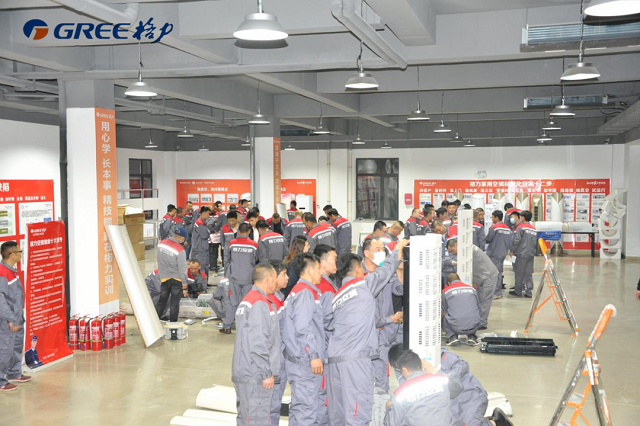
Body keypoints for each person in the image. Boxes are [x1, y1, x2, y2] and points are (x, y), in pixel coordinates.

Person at [327, 239, 409, 426]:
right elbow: (385, 271)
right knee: (358, 412)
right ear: (358, 270)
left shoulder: (337, 295)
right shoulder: (361, 286)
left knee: (339, 414)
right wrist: (397, 249)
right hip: (355, 360)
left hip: (335, 359)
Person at [388, 346, 511, 426]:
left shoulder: (437, 354)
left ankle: (497, 422)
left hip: (469, 397)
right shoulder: (406, 375)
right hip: (450, 404)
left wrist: (436, 372)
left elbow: (463, 365)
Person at [232, 262, 280, 426]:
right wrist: (266, 373)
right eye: (275, 278)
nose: (276, 282)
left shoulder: (248, 300)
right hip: (255, 375)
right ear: (268, 279)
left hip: (247, 371)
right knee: (256, 420)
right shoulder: (259, 303)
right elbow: (258, 342)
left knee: (247, 419)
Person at [281, 253, 325, 426]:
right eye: (319, 268)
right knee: (306, 411)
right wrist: (313, 355)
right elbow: (303, 328)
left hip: (299, 360)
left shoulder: (301, 290)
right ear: (310, 270)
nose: (321, 272)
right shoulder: (305, 292)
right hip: (304, 361)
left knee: (301, 409)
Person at [364, 239, 404, 393]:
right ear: (367, 253)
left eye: (383, 249)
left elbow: (399, 290)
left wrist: (399, 270)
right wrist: (389, 319)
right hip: (371, 334)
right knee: (374, 376)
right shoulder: (361, 275)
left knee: (388, 369)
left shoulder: (386, 272)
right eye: (378, 249)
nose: (382, 252)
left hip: (389, 331)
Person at [383, 350, 463, 426]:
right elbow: (458, 388)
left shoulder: (400, 393)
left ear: (404, 370)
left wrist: (389, 408)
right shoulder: (440, 378)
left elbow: (392, 423)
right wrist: (435, 371)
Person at [313, 244, 339, 426]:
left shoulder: (325, 283)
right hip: (324, 348)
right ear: (321, 263)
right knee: (322, 395)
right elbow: (328, 322)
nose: (336, 262)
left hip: (323, 347)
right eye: (333, 259)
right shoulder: (324, 287)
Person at [0, 241, 30, 392]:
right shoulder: (2, 273)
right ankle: (1, 381)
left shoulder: (12, 270)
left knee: (16, 346)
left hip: (17, 317)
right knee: (5, 349)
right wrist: (10, 319)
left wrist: (18, 316)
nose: (21, 254)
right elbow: (1, 300)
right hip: (7, 320)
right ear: (12, 255)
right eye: (19, 252)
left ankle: (14, 373)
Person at [222, 223, 258, 334]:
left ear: (238, 231)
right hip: (248, 278)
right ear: (249, 232)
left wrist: (226, 273)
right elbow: (256, 261)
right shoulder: (254, 245)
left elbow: (227, 259)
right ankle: (244, 327)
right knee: (246, 303)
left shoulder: (232, 243)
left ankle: (227, 326)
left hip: (234, 277)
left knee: (232, 302)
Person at [267, 260, 289, 426]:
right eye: (283, 274)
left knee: (275, 405)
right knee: (269, 407)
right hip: (273, 363)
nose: (287, 278)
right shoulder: (269, 302)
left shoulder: (280, 298)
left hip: (281, 358)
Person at [156, 228, 189, 322]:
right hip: (176, 279)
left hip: (164, 277)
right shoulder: (180, 250)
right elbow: (182, 268)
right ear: (182, 238)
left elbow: (158, 259)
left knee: (162, 300)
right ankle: (173, 323)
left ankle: (156, 320)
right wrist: (184, 281)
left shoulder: (161, 244)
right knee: (174, 303)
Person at [442, 273, 481, 346]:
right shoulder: (472, 289)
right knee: (473, 312)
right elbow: (478, 306)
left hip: (455, 327)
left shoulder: (446, 291)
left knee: (443, 313)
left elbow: (444, 308)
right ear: (460, 280)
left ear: (448, 283)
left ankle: (452, 336)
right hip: (474, 325)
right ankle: (472, 336)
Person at [509, 210, 537, 298]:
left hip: (521, 254)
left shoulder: (520, 227)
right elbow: (535, 243)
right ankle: (529, 291)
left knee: (519, 272)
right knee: (528, 273)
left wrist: (512, 250)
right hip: (530, 254)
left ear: (523, 217)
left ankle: (518, 291)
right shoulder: (533, 229)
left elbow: (516, 241)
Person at [485, 211, 512, 300]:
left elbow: (488, 239)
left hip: (494, 253)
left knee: (494, 273)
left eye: (492, 217)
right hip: (503, 253)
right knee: (499, 272)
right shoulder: (508, 229)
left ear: (496, 217)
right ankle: (497, 291)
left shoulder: (494, 227)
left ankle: (496, 292)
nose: (492, 219)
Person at [472, 244, 499, 330]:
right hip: (483, 276)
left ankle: (482, 323)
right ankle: (479, 320)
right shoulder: (471, 248)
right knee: (480, 299)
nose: (453, 253)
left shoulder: (469, 251)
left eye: (452, 250)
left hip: (489, 276)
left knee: (484, 300)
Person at [192, 206, 215, 277]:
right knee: (201, 267)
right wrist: (208, 231)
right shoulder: (199, 223)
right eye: (208, 213)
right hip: (200, 250)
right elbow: (205, 235)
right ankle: (201, 282)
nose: (208, 215)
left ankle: (204, 282)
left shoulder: (202, 222)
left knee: (205, 267)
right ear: (203, 213)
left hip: (202, 248)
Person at [221, 211, 240, 276]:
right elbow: (222, 241)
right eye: (229, 221)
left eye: (233, 220)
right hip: (227, 252)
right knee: (227, 265)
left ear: (236, 219)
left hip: (239, 252)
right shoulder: (224, 228)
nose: (231, 222)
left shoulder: (241, 228)